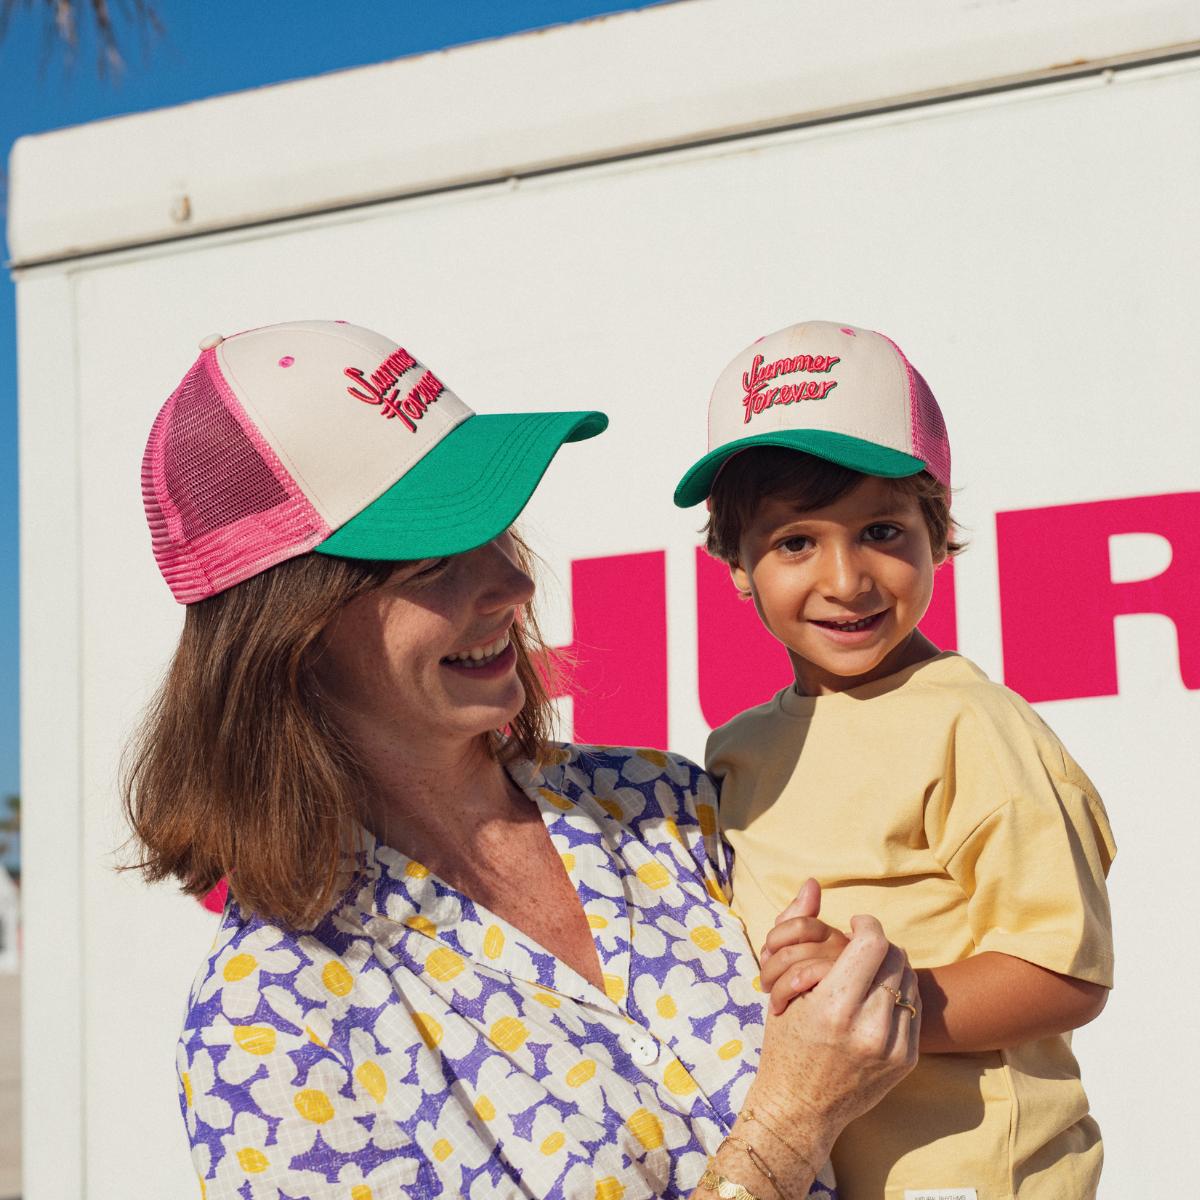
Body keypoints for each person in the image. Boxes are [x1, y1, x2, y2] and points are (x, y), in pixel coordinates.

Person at [124, 319, 920, 1200]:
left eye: (498, 527)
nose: (513, 583)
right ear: (292, 635)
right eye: (432, 563)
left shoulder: (662, 803)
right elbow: (797, 1105)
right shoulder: (269, 1023)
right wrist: (788, 1126)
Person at [672, 320, 1117, 1199]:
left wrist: (887, 988)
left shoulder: (975, 727)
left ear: (936, 528)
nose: (847, 578)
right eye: (796, 541)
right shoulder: (740, 748)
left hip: (976, 1175)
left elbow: (1066, 973)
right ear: (732, 563)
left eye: (881, 529)